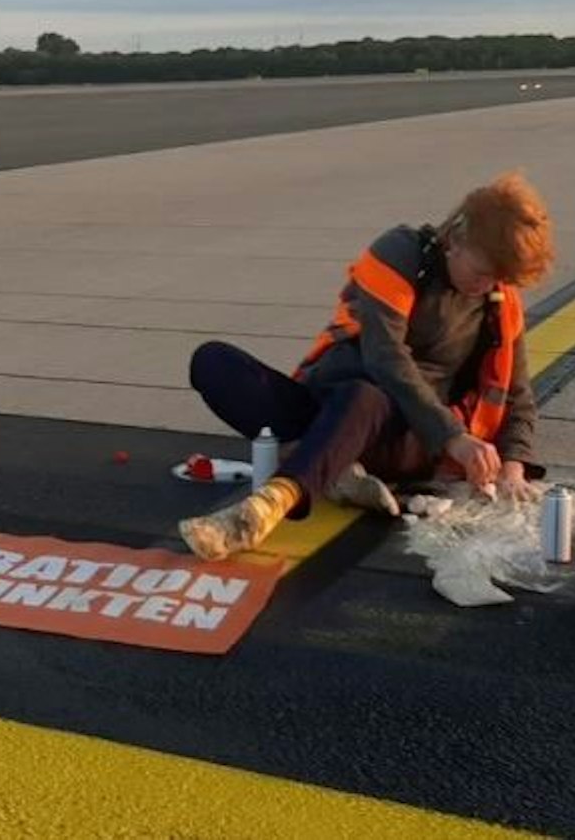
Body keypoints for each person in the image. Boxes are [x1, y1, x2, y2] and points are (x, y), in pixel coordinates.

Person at [178, 171, 554, 561]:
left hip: (406, 434)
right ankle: (334, 465)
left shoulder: (497, 303)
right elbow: (385, 356)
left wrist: (512, 464)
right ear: (456, 237)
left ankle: (267, 506)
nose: (488, 285)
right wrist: (455, 436)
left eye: (499, 278)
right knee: (213, 361)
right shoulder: (401, 253)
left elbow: (517, 392)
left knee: (365, 396)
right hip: (329, 402)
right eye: (482, 272)